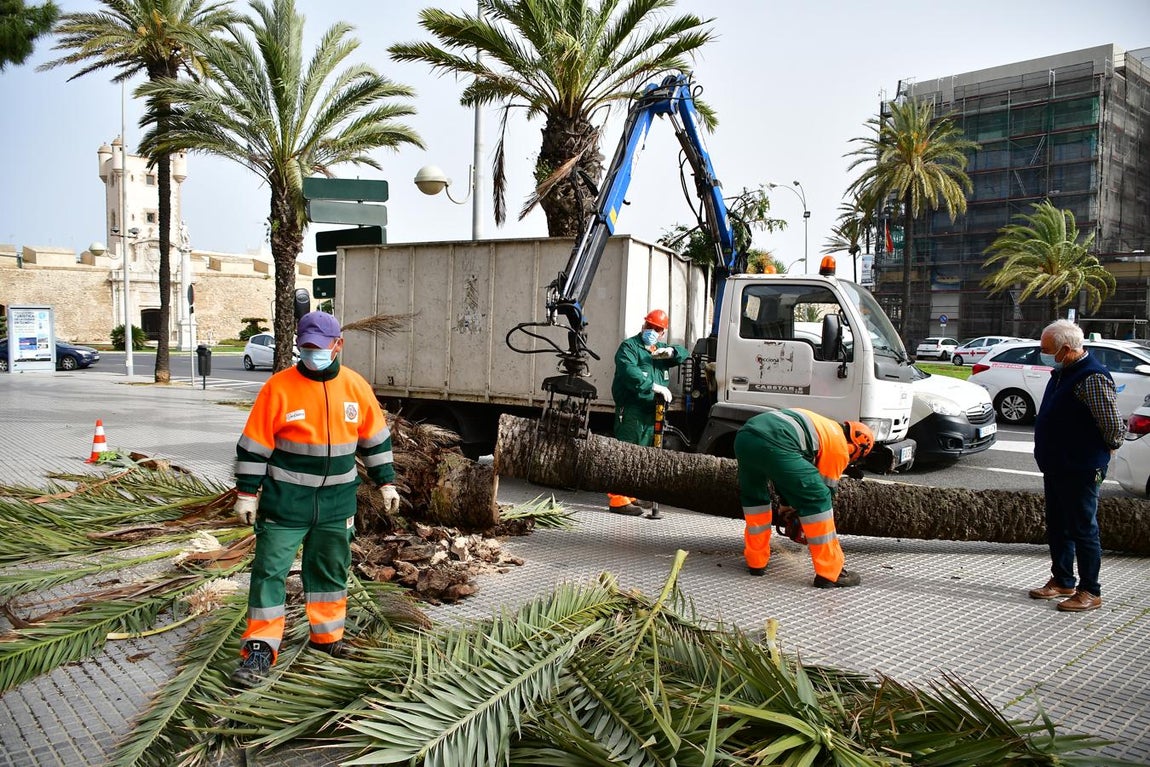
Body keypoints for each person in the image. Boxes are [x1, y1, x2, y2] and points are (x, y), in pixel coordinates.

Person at [230, 311, 401, 687]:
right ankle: (259, 649)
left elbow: (376, 441)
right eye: (306, 348)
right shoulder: (278, 388)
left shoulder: (356, 387)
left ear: (338, 345)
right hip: (285, 504)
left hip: (336, 505)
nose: (313, 354)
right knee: (269, 574)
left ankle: (327, 638)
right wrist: (246, 494)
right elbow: (254, 446)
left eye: (320, 348)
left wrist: (386, 483)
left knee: (329, 573)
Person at [1029, 319, 1124, 613]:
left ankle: (1090, 591)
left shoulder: (1091, 377)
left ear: (1066, 349)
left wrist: (1105, 448)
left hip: (1080, 466)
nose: (1042, 355)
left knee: (1083, 528)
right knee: (1058, 525)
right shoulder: (1062, 371)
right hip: (1057, 464)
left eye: (1047, 350)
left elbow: (1112, 426)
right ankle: (1062, 580)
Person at [733, 409, 874, 587]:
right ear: (858, 446)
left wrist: (785, 505)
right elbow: (823, 493)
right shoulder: (839, 446)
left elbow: (784, 472)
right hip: (776, 442)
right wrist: (802, 515)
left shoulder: (823, 425)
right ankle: (830, 573)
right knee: (818, 499)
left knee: (755, 500)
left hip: (745, 437)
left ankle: (756, 561)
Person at [607, 309, 688, 514]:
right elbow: (628, 371)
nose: (652, 331)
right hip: (632, 408)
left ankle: (631, 494)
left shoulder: (658, 350)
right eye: (649, 327)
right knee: (625, 451)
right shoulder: (630, 347)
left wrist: (673, 352)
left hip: (652, 411)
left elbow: (684, 354)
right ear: (644, 326)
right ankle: (617, 500)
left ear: (662, 333)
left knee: (641, 455)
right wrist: (652, 385)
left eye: (657, 329)